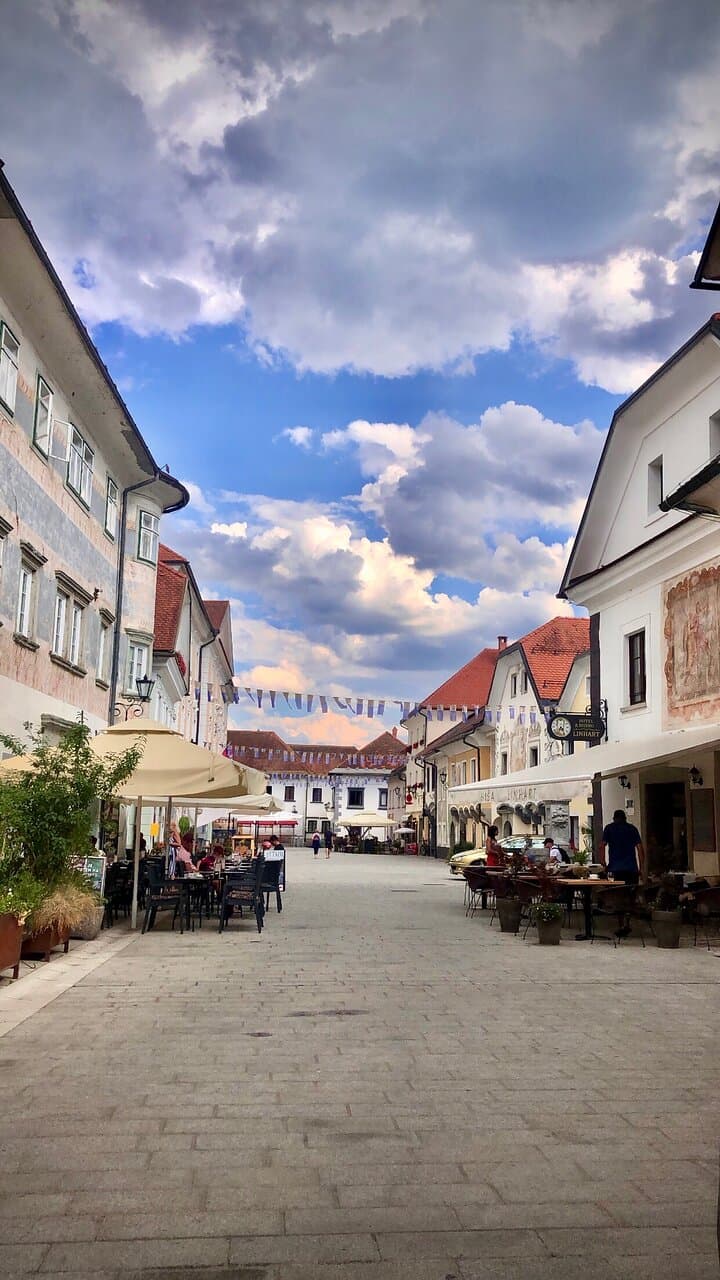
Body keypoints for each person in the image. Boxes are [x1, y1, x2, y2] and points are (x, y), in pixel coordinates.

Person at [599, 809, 645, 939]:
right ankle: (627, 922)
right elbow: (640, 850)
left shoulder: (609, 828)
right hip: (631, 869)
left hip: (615, 869)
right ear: (625, 818)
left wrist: (603, 864)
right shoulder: (632, 829)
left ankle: (620, 925)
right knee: (630, 897)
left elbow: (602, 846)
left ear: (614, 818)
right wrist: (641, 868)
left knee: (617, 896)